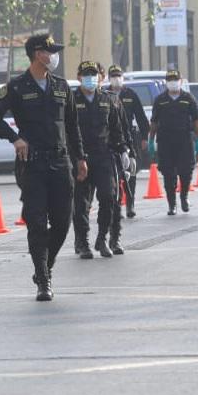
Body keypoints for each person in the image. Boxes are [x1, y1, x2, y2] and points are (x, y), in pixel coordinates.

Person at [0, 34, 87, 301]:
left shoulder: (62, 86)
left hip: (61, 161)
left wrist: (80, 158)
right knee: (37, 223)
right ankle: (43, 278)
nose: (54, 56)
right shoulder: (17, 87)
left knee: (64, 221)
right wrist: (15, 138)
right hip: (32, 165)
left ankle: (46, 263)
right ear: (37, 53)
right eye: (50, 51)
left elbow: (73, 126)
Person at [71, 61, 128, 259]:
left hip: (103, 156)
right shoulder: (70, 99)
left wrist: (124, 151)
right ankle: (83, 242)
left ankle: (102, 238)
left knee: (109, 197)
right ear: (79, 77)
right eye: (86, 74)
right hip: (80, 158)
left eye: (93, 74)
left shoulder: (107, 99)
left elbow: (116, 129)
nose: (90, 78)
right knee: (81, 203)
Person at [149, 70, 198, 215]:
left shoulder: (188, 98)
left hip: (185, 140)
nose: (172, 82)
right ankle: (171, 204)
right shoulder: (160, 100)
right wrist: (150, 140)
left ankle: (184, 196)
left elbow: (197, 120)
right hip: (165, 141)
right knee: (168, 174)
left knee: (186, 172)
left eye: (175, 79)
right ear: (166, 82)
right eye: (170, 79)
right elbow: (154, 121)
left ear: (180, 81)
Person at [107, 65, 148, 218]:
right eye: (113, 75)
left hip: (129, 137)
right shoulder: (105, 94)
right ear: (109, 78)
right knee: (115, 174)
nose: (116, 78)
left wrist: (145, 137)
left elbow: (141, 117)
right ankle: (117, 204)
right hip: (111, 139)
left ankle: (130, 205)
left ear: (122, 77)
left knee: (131, 172)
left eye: (118, 75)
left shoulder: (130, 94)